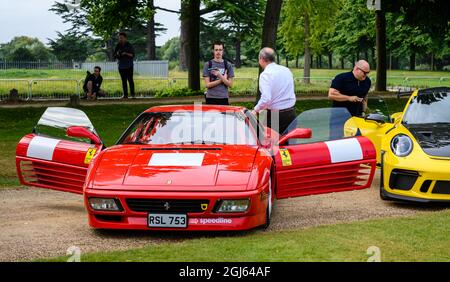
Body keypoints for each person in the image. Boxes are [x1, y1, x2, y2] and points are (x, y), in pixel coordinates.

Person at [252, 47, 296, 134]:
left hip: (275, 116)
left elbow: (266, 98)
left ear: (261, 59)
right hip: (291, 113)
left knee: (271, 145)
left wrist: (255, 110)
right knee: (290, 144)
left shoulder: (265, 75)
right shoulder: (286, 70)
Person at [202, 41, 234, 105]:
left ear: (223, 51)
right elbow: (207, 85)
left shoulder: (228, 65)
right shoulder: (208, 64)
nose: (218, 52)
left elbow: (230, 85)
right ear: (213, 51)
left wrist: (220, 75)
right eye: (216, 50)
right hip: (211, 98)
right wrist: (222, 79)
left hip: (223, 98)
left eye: (220, 50)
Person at [114, 32, 135, 99]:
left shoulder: (129, 45)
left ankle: (132, 95)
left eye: (121, 38)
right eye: (119, 38)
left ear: (125, 38)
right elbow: (114, 55)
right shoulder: (118, 45)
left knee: (130, 80)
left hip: (129, 65)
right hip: (121, 66)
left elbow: (132, 55)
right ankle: (125, 95)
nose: (120, 39)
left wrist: (125, 53)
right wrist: (118, 54)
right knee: (123, 81)